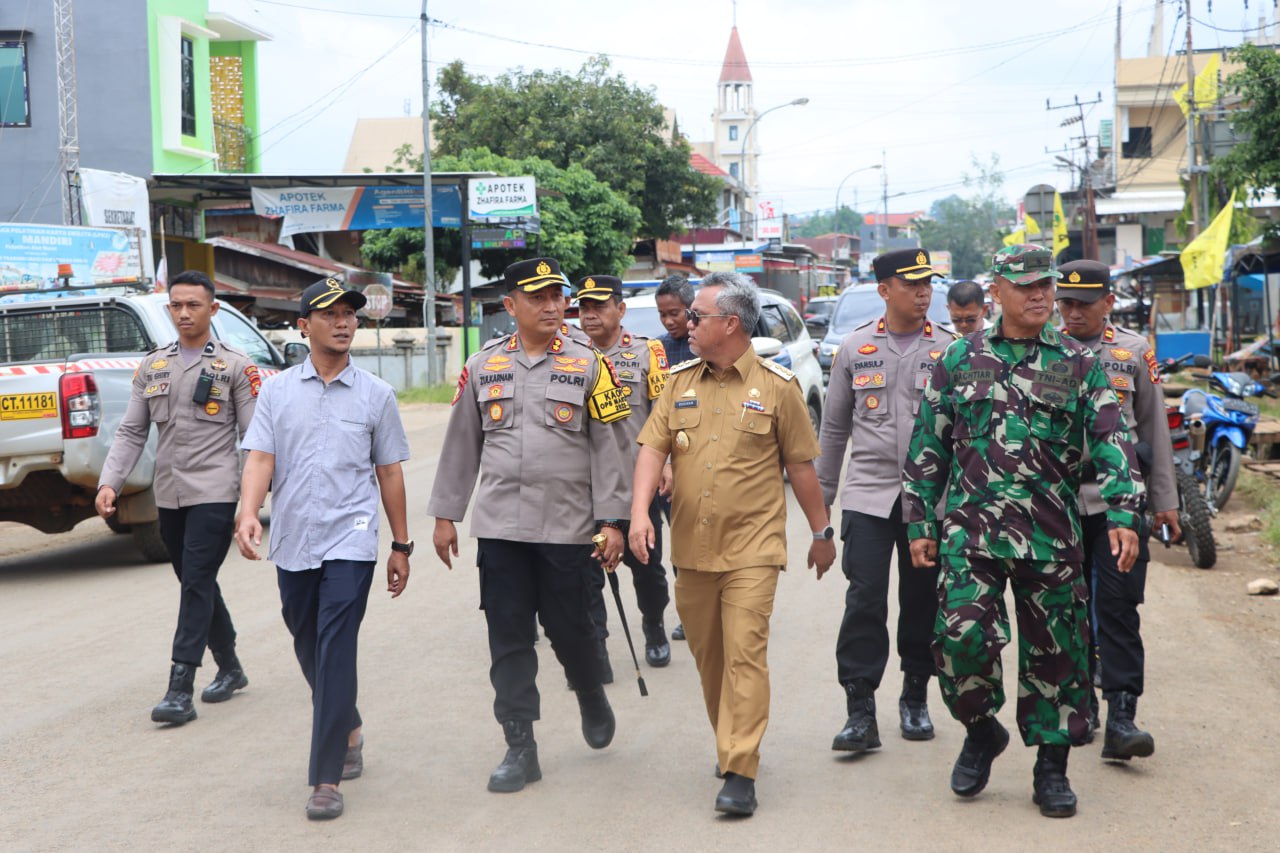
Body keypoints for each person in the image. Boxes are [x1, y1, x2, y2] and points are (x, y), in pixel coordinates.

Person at [902, 244, 1142, 819]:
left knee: (1057, 658)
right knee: (961, 642)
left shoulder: (1079, 364)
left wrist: (1124, 513)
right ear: (998, 293)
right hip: (969, 534)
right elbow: (927, 444)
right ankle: (981, 730)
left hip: (1050, 535)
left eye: (1047, 286)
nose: (1040, 295)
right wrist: (920, 519)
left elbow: (1113, 437)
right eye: (1028, 285)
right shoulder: (959, 359)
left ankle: (1051, 766)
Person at [629, 271, 835, 817]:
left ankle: (741, 768)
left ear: (731, 324)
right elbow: (652, 448)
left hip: (754, 548)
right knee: (710, 657)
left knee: (745, 653)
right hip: (693, 547)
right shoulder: (677, 382)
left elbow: (801, 466)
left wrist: (822, 532)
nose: (686, 324)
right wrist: (638, 515)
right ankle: (730, 741)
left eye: (696, 316)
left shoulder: (777, 387)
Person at [428, 257, 634, 795]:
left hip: (568, 529)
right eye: (538, 298)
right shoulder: (484, 365)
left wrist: (613, 520)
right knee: (509, 638)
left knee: (572, 631)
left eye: (556, 297)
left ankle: (589, 690)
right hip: (500, 530)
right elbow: (462, 443)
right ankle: (520, 745)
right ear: (510, 306)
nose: (552, 306)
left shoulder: (591, 363)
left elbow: (610, 447)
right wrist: (446, 515)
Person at [234, 277, 412, 821]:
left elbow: (389, 472)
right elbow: (261, 458)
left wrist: (401, 544)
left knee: (335, 647)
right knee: (307, 641)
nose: (344, 322)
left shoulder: (376, 395)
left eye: (350, 314)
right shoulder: (278, 391)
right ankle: (349, 723)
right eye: (330, 314)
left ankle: (326, 776)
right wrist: (246, 512)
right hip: (293, 538)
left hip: (351, 538)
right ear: (303, 325)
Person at [96, 270, 259, 725]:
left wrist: (251, 505)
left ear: (213, 309)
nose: (184, 313)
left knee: (195, 581)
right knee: (195, 579)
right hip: (168, 493)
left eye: (193, 304)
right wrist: (110, 481)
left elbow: (254, 440)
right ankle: (230, 667)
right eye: (177, 305)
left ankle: (179, 687)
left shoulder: (235, 366)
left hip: (215, 490)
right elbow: (131, 430)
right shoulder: (154, 365)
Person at [816, 248, 958, 753]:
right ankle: (860, 710)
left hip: (930, 503)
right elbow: (833, 431)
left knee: (922, 601)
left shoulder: (951, 349)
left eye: (928, 284)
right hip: (868, 497)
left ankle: (915, 695)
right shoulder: (854, 349)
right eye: (912, 284)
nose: (924, 293)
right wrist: (821, 509)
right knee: (865, 599)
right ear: (884, 290)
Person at [1057, 258, 1179, 761]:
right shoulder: (1045, 351)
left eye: (1084, 304)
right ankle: (1080, 705)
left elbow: (1154, 430)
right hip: (1059, 504)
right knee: (1066, 609)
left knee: (1118, 607)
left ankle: (1123, 715)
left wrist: (1166, 501)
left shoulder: (1132, 351)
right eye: (1066, 303)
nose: (1073, 312)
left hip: (1118, 504)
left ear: (1108, 302)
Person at [574, 274, 673, 669]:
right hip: (583, 487)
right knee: (586, 574)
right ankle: (596, 647)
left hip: (637, 485)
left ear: (621, 309)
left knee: (646, 568)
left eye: (599, 305)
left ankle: (654, 624)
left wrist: (666, 462)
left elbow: (665, 416)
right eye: (583, 307)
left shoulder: (649, 353)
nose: (590, 314)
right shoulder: (568, 354)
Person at [654, 273, 694, 641]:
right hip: (662, 463)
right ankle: (687, 613)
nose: (669, 321)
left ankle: (701, 611)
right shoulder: (657, 352)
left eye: (676, 313)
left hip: (700, 463)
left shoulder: (707, 346)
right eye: (663, 314)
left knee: (694, 543)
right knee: (670, 545)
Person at [656, 274, 696, 367]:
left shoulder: (709, 344)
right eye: (663, 314)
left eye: (674, 313)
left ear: (691, 308)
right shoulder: (658, 348)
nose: (668, 322)